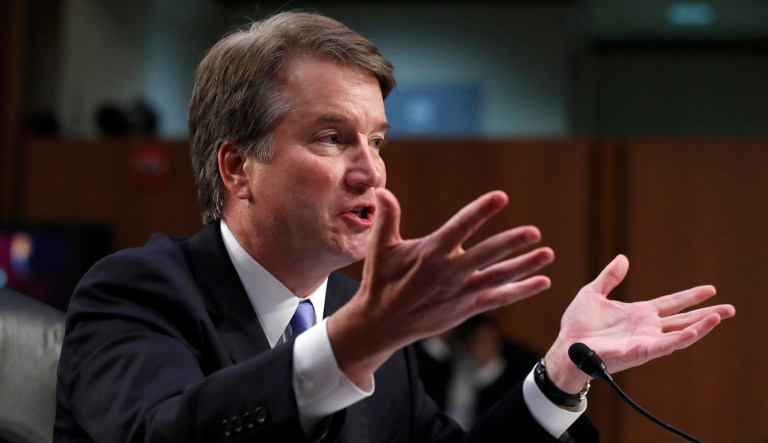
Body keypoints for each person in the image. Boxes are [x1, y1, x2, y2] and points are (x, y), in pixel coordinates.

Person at [53, 10, 735, 443]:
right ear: (238, 168)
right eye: (331, 138)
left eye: (377, 141)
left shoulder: (360, 314)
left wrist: (558, 376)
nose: (370, 172)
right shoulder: (134, 290)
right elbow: (160, 432)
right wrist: (355, 342)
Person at [414, 314, 539, 429]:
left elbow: (519, 414)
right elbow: (415, 394)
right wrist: (436, 342)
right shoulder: (427, 351)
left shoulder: (519, 358)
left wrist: (490, 367)